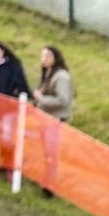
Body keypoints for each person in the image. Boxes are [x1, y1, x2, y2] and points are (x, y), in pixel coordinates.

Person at [32, 45, 74, 193]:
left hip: (55, 120)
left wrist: (42, 99)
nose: (43, 60)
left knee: (51, 152)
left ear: (54, 58)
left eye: (46, 56)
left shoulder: (61, 76)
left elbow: (63, 99)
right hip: (45, 118)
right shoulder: (48, 73)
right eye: (42, 56)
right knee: (47, 151)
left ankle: (50, 184)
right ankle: (46, 178)